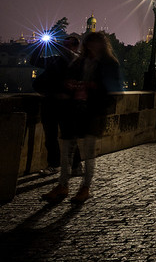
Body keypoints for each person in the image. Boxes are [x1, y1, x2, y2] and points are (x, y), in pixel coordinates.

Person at [42, 32, 118, 204]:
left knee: (89, 152)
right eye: (89, 43)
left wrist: (93, 87)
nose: (91, 46)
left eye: (95, 43)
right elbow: (68, 78)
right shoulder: (79, 61)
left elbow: (111, 91)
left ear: (102, 45)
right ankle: (63, 185)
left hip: (92, 112)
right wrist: (68, 86)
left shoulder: (109, 63)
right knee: (66, 148)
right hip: (73, 109)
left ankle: (85, 187)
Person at [31, 35, 82, 176]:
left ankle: (76, 165)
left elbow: (69, 55)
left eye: (69, 43)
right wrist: (40, 45)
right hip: (50, 102)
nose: (65, 46)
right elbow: (33, 60)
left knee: (69, 136)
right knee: (50, 137)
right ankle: (54, 164)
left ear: (75, 46)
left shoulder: (77, 60)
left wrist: (54, 43)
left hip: (67, 104)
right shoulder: (55, 60)